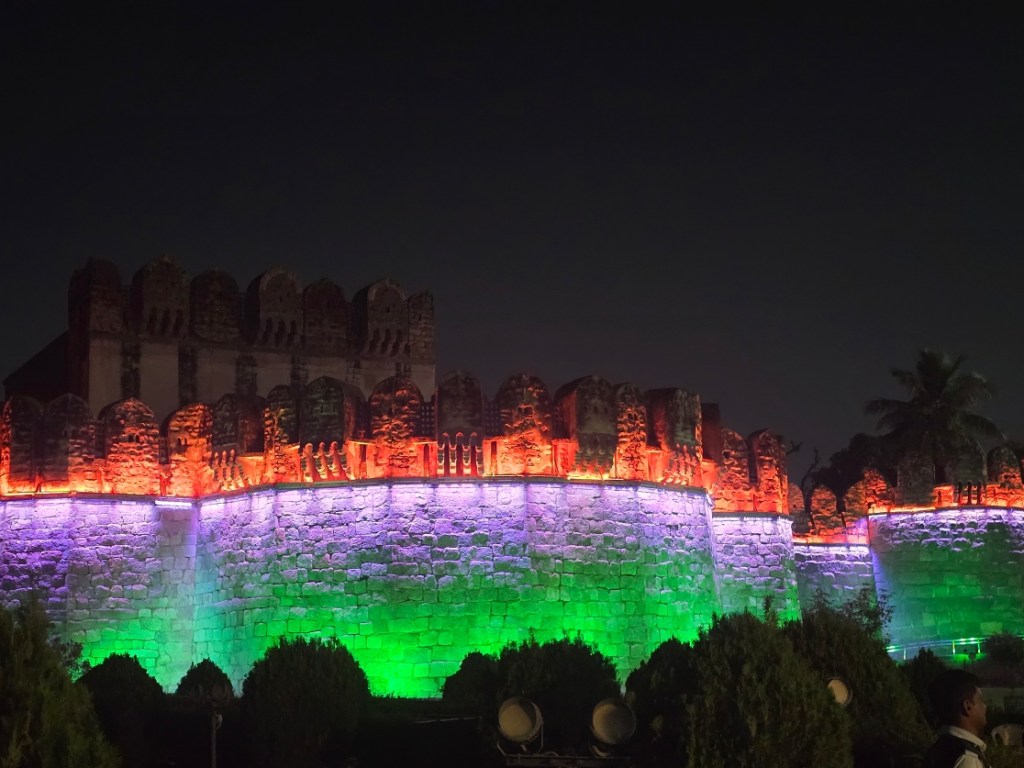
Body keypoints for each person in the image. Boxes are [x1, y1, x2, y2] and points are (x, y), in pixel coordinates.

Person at [923, 669, 990, 768]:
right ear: (968, 707)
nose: (985, 706)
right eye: (981, 700)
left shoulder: (940, 749)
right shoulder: (967, 760)